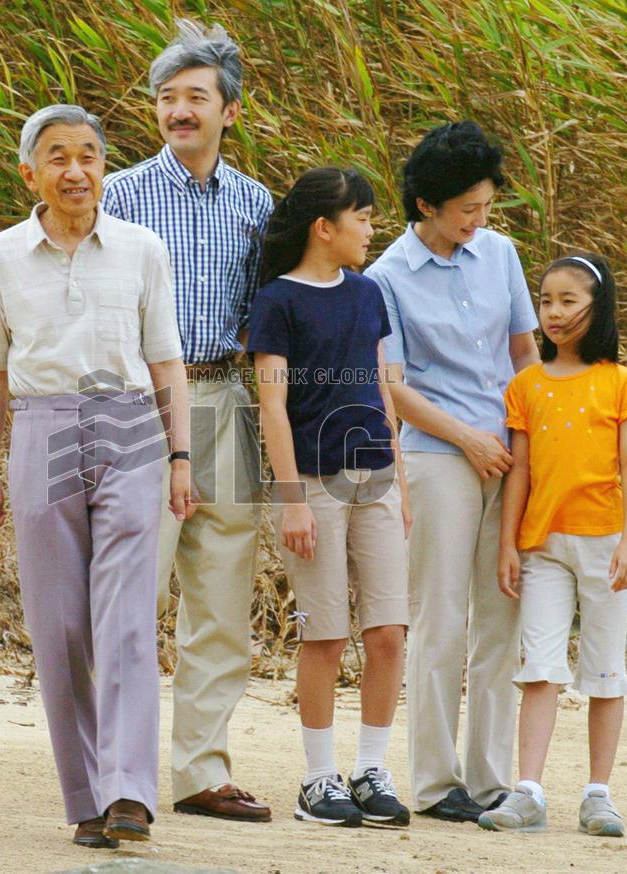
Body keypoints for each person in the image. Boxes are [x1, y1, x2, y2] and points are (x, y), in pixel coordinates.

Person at [0, 105, 192, 847]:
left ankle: (129, 790)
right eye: (57, 157)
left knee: (124, 614)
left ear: (104, 168)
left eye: (88, 155)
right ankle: (86, 797)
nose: (76, 171)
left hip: (128, 425)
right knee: (59, 625)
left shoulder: (142, 248)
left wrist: (182, 456)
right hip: (43, 425)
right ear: (30, 173)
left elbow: (166, 363)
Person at [101, 20, 273, 822]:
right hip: (140, 405)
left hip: (227, 399)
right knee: (134, 592)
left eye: (195, 97)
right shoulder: (123, 194)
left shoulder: (256, 202)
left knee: (220, 589)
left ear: (228, 111)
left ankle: (201, 771)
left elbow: (260, 313)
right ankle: (119, 779)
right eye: (166, 97)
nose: (178, 109)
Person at [364, 120, 540, 823]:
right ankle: (437, 784)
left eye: (486, 207)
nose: (479, 220)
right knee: (439, 618)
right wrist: (468, 437)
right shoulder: (386, 278)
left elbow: (525, 356)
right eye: (467, 208)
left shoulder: (500, 254)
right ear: (426, 205)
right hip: (439, 455)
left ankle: (493, 778)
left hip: (513, 455)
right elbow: (393, 386)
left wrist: (528, 442)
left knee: (502, 615)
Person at [249, 168, 411, 828]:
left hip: (376, 478)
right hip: (313, 482)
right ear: (326, 227)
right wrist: (290, 501)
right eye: (364, 219)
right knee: (324, 633)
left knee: (389, 633)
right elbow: (273, 408)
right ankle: (318, 779)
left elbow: (381, 388)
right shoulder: (277, 302)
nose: (371, 231)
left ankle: (371, 770)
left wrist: (397, 480)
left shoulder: (369, 293)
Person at [478, 253, 627, 837]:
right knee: (539, 670)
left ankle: (598, 794)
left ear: (596, 307)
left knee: (605, 670)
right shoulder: (526, 385)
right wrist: (508, 544)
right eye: (546, 300)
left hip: (606, 544)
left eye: (568, 301)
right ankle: (528, 790)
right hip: (542, 547)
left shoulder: (623, 382)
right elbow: (519, 472)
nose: (554, 313)